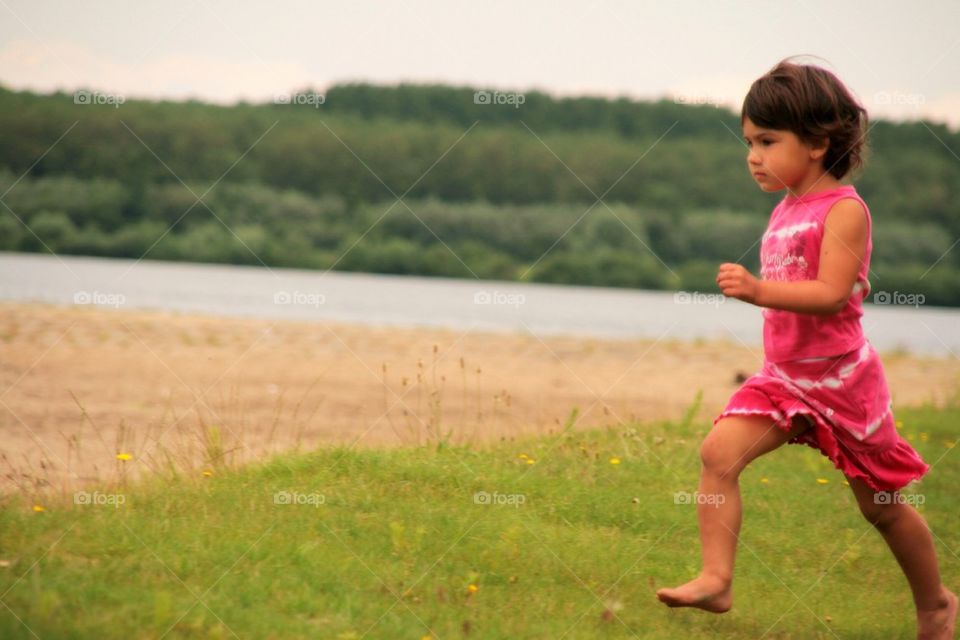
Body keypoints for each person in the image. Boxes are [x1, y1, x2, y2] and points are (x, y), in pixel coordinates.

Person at [654, 57, 957, 639]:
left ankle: (936, 603)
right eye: (748, 142)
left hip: (842, 382)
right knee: (718, 454)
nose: (753, 156)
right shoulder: (785, 209)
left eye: (767, 141)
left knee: (882, 509)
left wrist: (758, 290)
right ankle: (717, 580)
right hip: (784, 380)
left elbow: (831, 293)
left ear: (818, 142)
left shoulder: (845, 209)